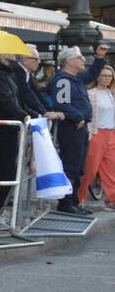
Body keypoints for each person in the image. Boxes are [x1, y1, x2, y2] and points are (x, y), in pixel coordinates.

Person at [0, 52, 56, 229]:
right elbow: (6, 101)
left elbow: (19, 99)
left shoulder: (6, 73)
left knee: (7, 171)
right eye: (9, 49)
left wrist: (33, 114)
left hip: (10, 127)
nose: (15, 52)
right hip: (2, 128)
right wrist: (25, 116)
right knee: (1, 170)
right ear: (0, 53)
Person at [47, 43, 109, 215]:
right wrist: (79, 116)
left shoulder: (74, 78)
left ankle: (73, 201)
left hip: (79, 127)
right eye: (79, 57)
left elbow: (91, 74)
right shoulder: (63, 80)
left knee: (78, 166)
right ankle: (66, 202)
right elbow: (62, 104)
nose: (83, 59)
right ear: (69, 62)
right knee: (71, 165)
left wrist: (99, 58)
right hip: (72, 127)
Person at [78, 64, 115, 208]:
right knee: (91, 169)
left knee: (111, 168)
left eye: (109, 76)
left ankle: (112, 198)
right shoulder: (90, 93)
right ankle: (80, 197)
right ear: (98, 77)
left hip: (111, 133)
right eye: (104, 75)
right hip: (96, 133)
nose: (106, 78)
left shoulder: (111, 94)